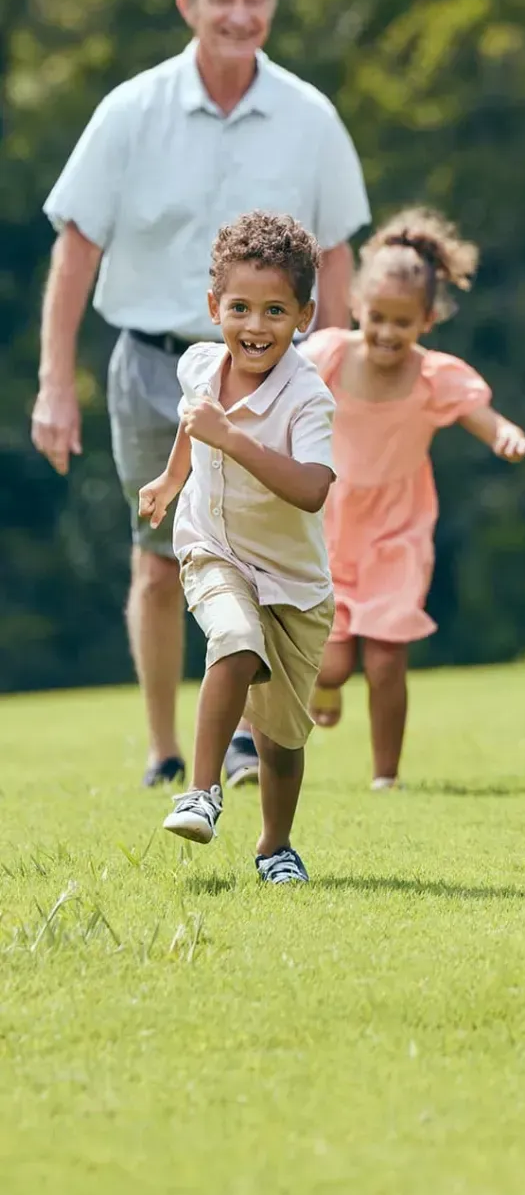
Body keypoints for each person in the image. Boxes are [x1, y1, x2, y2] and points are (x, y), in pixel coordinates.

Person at [32, 0, 369, 791]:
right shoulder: (130, 112)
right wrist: (52, 387)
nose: (241, 13)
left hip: (281, 370)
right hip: (153, 366)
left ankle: (253, 745)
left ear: (272, 7)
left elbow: (336, 257)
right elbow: (76, 250)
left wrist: (334, 362)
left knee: (267, 550)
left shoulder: (310, 117)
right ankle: (162, 750)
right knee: (158, 554)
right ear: (188, 5)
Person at [137, 212, 338, 884]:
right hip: (213, 549)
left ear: (304, 314)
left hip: (294, 584)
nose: (256, 326)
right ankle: (202, 790)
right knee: (233, 639)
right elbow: (196, 423)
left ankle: (275, 846)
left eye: (276, 310)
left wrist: (235, 440)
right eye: (241, 308)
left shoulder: (308, 397)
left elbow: (312, 490)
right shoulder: (200, 364)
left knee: (282, 740)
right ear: (213, 307)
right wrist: (171, 479)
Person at [303, 209, 525, 788]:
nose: (385, 334)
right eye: (376, 317)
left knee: (386, 658)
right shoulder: (329, 355)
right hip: (328, 523)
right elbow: (276, 394)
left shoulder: (434, 378)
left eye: (401, 323)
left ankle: (387, 775)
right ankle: (325, 685)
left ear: (427, 319)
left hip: (397, 533)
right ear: (356, 304)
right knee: (330, 660)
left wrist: (505, 434)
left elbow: (481, 417)